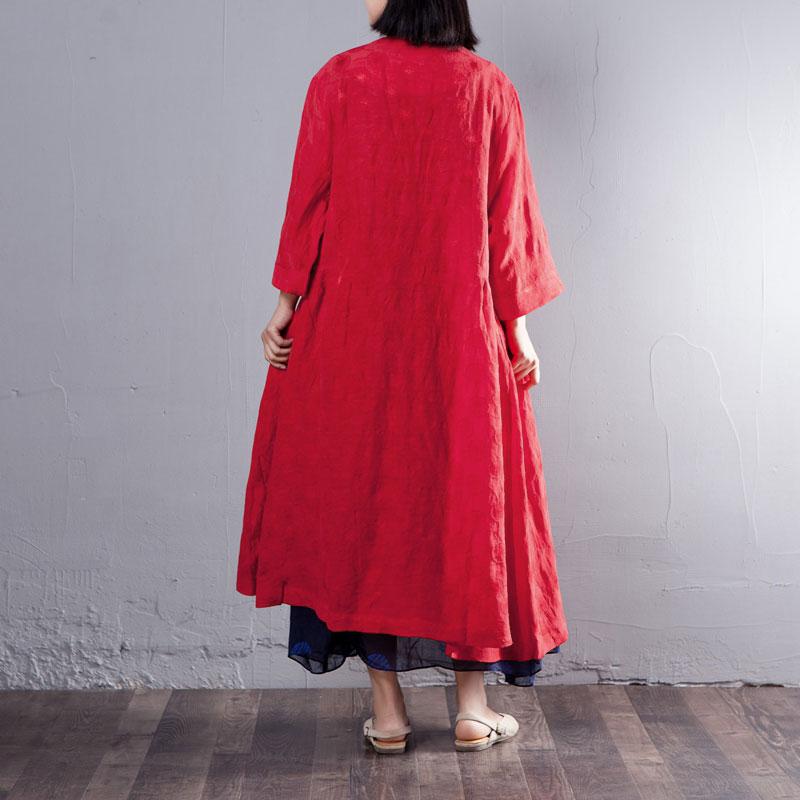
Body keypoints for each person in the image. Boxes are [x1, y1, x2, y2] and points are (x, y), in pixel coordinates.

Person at [237, 0, 569, 754]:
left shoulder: (340, 80)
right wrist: (517, 327)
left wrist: (285, 306)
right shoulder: (488, 87)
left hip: (352, 333)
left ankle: (388, 715)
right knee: (466, 501)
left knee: (365, 504)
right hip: (459, 335)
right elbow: (508, 218)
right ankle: (471, 708)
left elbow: (309, 205)